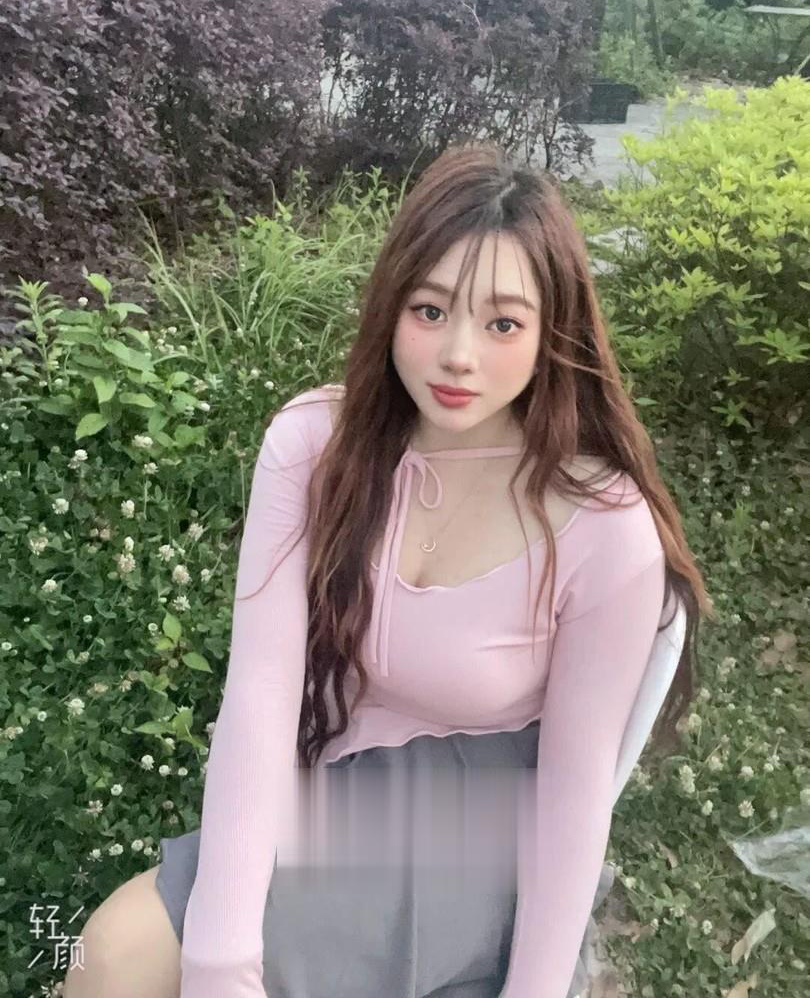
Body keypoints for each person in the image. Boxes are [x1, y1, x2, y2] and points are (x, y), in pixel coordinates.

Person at [63, 141, 709, 998]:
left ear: (553, 333)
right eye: (430, 310)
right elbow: (261, 693)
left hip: (474, 823)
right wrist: (220, 957)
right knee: (111, 958)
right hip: (329, 781)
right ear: (390, 304)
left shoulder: (602, 525)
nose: (458, 356)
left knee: (124, 956)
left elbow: (574, 794)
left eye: (503, 324)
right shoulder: (313, 448)